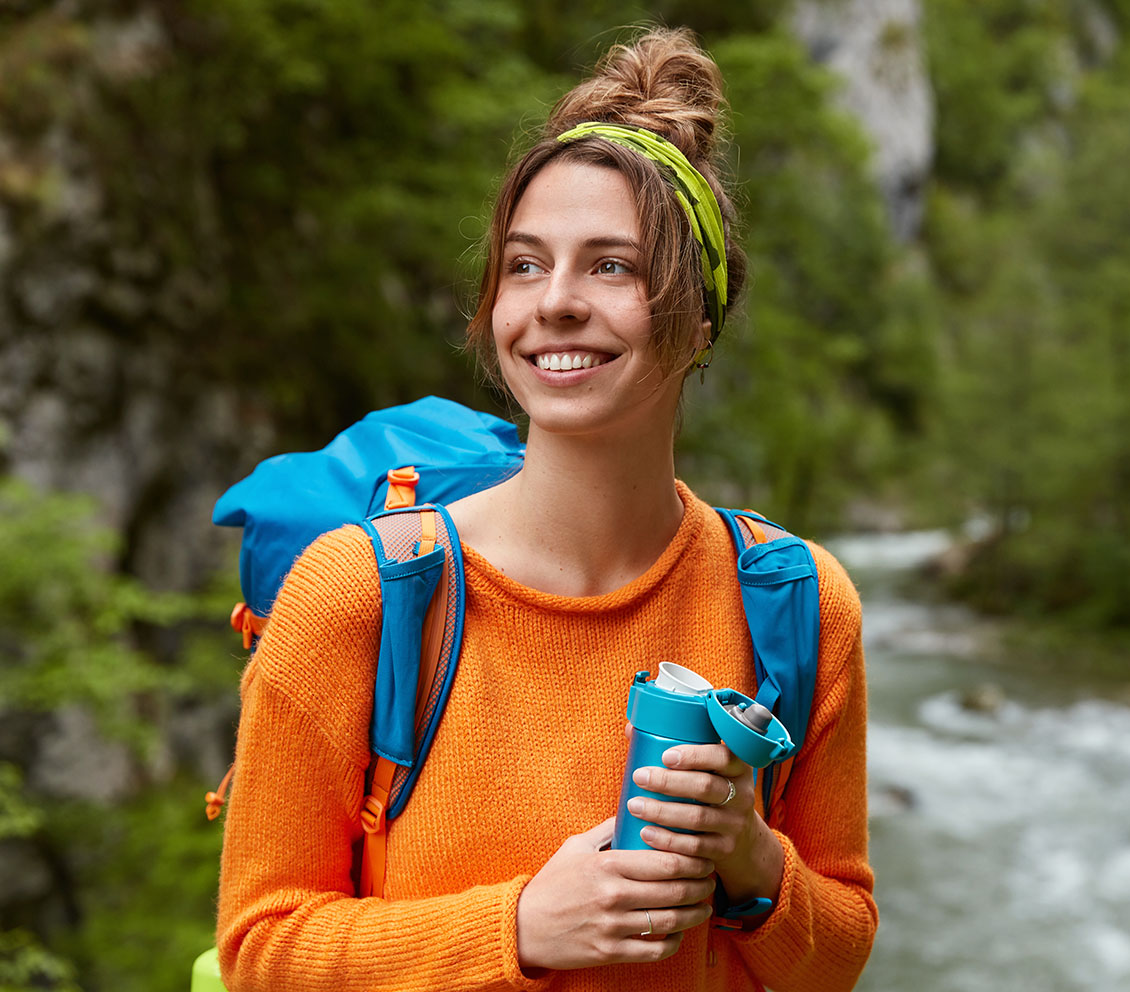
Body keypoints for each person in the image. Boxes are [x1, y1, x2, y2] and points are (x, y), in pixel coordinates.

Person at [216, 26, 875, 992]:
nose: (555, 302)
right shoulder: (360, 596)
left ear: (698, 317)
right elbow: (260, 951)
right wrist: (518, 927)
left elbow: (841, 951)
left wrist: (756, 863)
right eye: (525, 265)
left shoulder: (796, 605)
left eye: (610, 266)